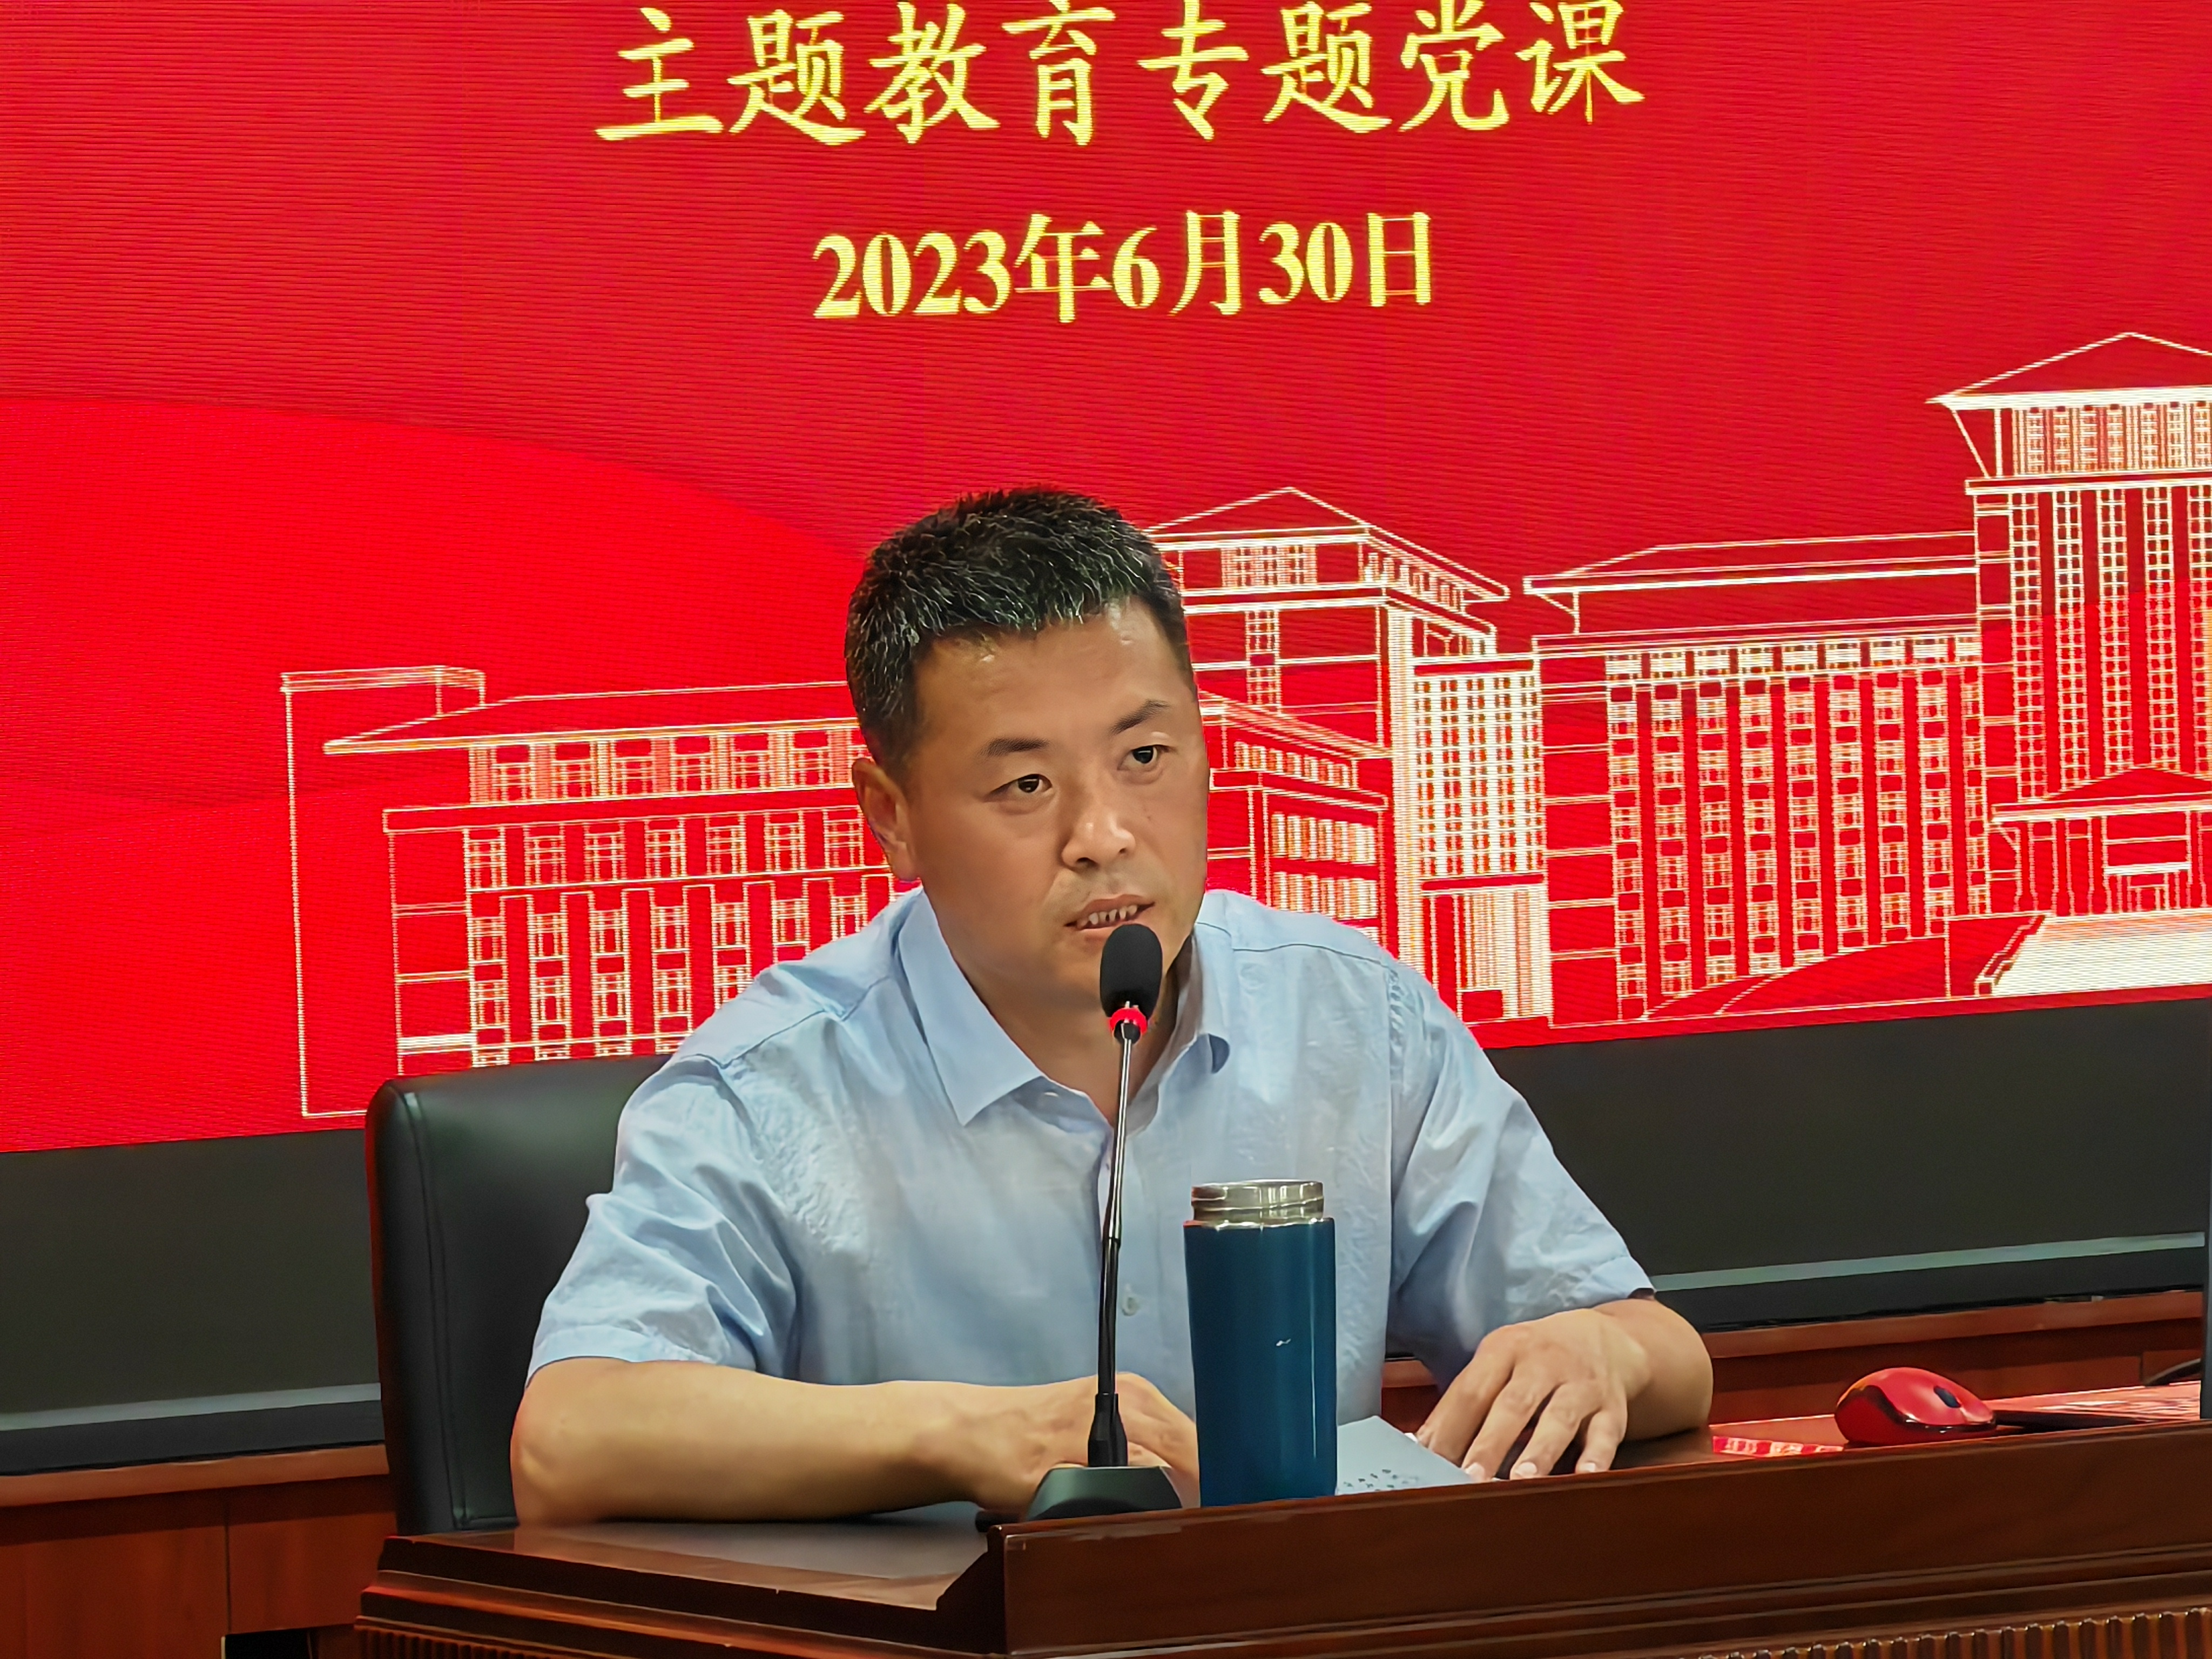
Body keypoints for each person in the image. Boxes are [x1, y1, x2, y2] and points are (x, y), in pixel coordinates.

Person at [511, 488, 1710, 1523]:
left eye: (1145, 758)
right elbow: (570, 1441)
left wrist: (1593, 1348)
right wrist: (962, 1437)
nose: (1104, 836)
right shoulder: (770, 1086)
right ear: (892, 816)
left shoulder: (1354, 1017)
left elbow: (1664, 1355)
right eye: (1026, 783)